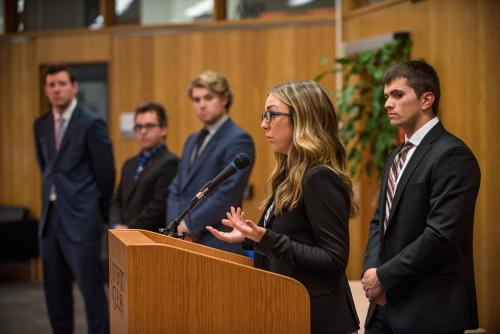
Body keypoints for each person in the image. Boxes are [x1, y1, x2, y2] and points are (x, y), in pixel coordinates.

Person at [207, 80, 360, 334]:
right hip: (288, 310)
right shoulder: (289, 175)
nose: (264, 123)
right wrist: (252, 237)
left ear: (302, 119)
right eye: (264, 115)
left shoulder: (319, 177)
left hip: (317, 318)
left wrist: (266, 238)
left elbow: (334, 259)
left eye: (272, 114)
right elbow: (295, 238)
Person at [361, 61, 481, 334]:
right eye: (386, 97)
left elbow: (441, 236)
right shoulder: (396, 156)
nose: (388, 104)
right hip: (384, 307)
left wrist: (385, 277)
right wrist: (371, 271)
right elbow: (380, 222)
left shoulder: (452, 155)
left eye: (398, 95)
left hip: (428, 309)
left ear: (427, 99)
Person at [34, 65, 115, 334]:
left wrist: (97, 214)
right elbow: (47, 167)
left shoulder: (91, 123)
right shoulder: (41, 124)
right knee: (55, 296)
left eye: (61, 83)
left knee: (92, 294)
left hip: (82, 219)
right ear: (46, 90)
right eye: (51, 85)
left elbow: (105, 174)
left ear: (74, 87)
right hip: (50, 220)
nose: (56, 89)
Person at [167, 70, 255, 254]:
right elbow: (176, 188)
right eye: (197, 100)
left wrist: (188, 226)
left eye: (208, 98)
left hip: (216, 241)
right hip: (182, 240)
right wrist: (176, 226)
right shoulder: (191, 140)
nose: (202, 105)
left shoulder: (239, 139)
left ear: (224, 99)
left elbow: (225, 195)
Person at [110, 102, 178, 231]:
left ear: (163, 129)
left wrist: (130, 228)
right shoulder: (129, 164)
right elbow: (117, 201)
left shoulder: (170, 163)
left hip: (149, 237)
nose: (143, 131)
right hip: (122, 235)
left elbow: (158, 206)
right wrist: (117, 225)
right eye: (138, 126)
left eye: (149, 126)